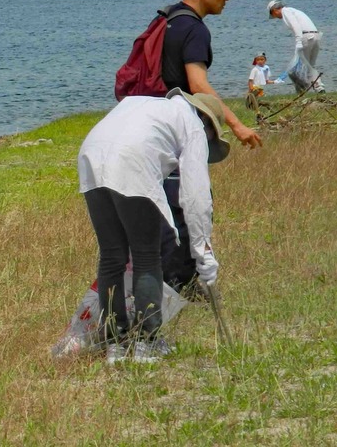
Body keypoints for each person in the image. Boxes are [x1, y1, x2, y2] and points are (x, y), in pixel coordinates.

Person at [79, 89, 229, 364]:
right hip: (133, 160)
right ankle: (146, 343)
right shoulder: (193, 126)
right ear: (207, 124)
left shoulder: (146, 104)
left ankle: (115, 343)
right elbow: (196, 197)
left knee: (112, 256)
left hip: (90, 156)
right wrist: (203, 253)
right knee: (147, 254)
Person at [157, 0, 260, 292]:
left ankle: (168, 279)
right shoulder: (196, 28)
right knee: (190, 206)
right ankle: (180, 285)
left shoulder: (166, 17)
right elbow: (198, 84)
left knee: (164, 205)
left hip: (154, 122)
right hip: (179, 127)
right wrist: (236, 125)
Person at [267, 0, 326, 94]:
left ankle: (303, 89)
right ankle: (319, 88)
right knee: (310, 66)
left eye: (274, 15)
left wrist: (298, 41)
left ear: (274, 10)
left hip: (306, 37)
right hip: (316, 36)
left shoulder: (286, 11)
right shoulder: (294, 11)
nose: (276, 17)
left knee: (300, 68)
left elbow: (296, 26)